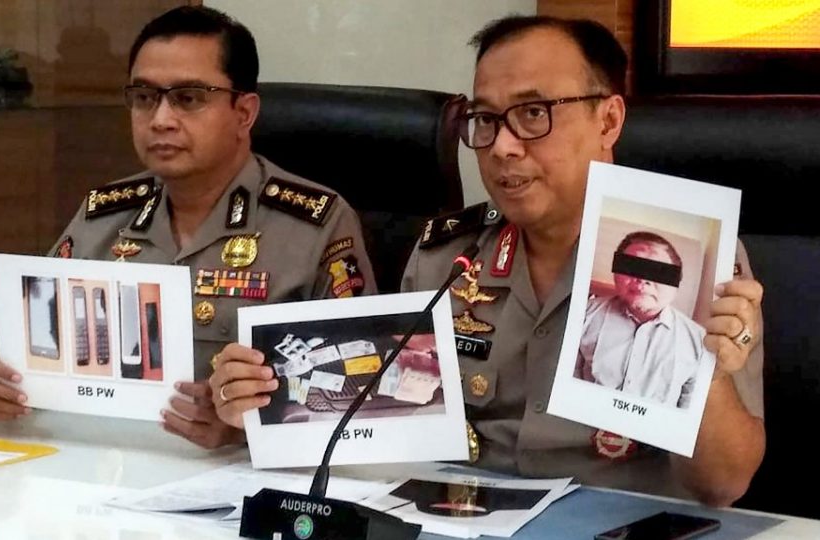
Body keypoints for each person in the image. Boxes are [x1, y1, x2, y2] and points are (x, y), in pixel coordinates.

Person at [209, 16, 765, 507]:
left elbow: (721, 487)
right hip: (461, 517)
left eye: (532, 113)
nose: (502, 147)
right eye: (486, 120)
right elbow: (375, 423)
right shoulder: (445, 257)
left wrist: (707, 369)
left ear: (609, 120)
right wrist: (257, 405)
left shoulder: (680, 263)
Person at [0, 5, 376, 450]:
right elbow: (37, 351)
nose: (160, 119)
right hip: (105, 469)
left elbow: (360, 387)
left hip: (240, 485)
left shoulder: (314, 223)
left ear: (244, 112)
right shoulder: (102, 215)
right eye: (144, 97)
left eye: (188, 98)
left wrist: (248, 430)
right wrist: (2, 386)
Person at [575, 231, 711, 409]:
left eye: (659, 271)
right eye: (633, 267)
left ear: (676, 282)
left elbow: (688, 415)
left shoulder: (700, 342)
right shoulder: (583, 315)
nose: (643, 279)